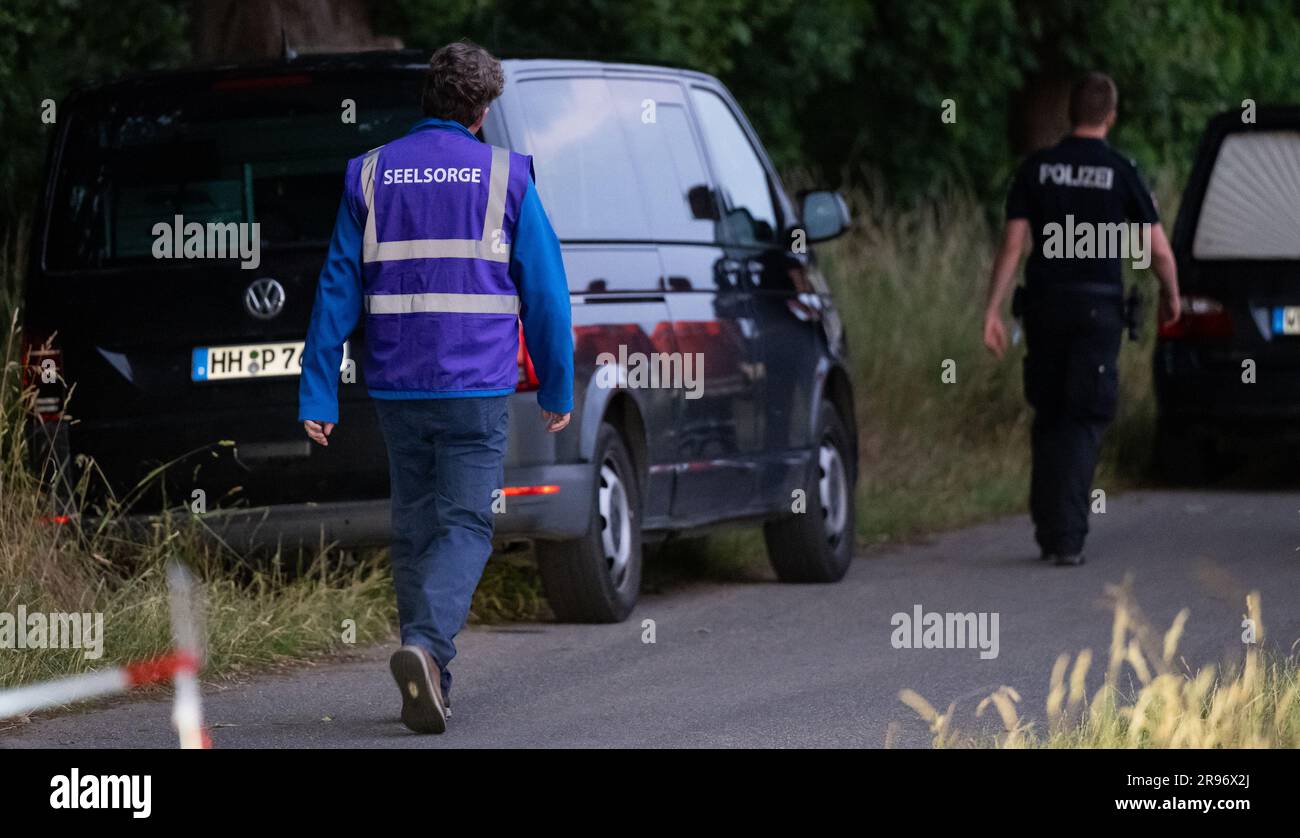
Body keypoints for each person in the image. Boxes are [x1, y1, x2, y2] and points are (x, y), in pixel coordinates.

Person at [297, 40, 573, 733]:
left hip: (396, 387)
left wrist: (318, 392)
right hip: (475, 387)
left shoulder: (369, 176)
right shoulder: (507, 178)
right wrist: (557, 388)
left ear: (429, 99)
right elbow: (545, 293)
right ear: (480, 111)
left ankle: (431, 678)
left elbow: (336, 288)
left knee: (416, 527)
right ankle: (426, 648)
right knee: (467, 524)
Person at [982, 71, 1180, 566]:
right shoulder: (1121, 170)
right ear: (1111, 116)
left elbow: (1013, 244)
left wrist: (991, 310)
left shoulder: (1037, 168)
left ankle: (1050, 525)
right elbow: (1155, 250)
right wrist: (1170, 293)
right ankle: (1066, 536)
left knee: (1050, 410)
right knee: (1084, 415)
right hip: (1097, 311)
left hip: (1045, 306)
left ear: (1072, 113)